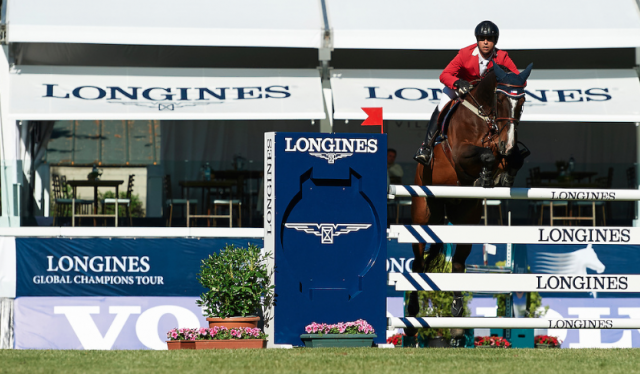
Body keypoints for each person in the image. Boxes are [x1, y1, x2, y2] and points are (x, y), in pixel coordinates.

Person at [413, 20, 521, 165]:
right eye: (482, 39)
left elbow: (518, 79)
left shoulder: (502, 57)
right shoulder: (465, 54)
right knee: (441, 106)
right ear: (477, 40)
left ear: (495, 41)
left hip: (484, 96)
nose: (486, 42)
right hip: (461, 89)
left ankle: (509, 146)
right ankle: (426, 147)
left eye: (489, 39)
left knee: (506, 107)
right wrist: (457, 83)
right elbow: (444, 75)